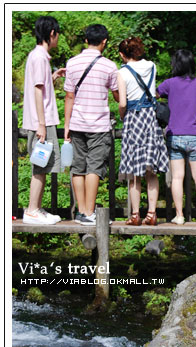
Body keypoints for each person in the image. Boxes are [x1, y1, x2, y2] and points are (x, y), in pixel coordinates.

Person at [157, 49, 196, 225]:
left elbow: (152, 96)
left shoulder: (168, 84)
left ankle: (179, 216)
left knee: (177, 177)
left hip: (174, 136)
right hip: (194, 136)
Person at [64, 24, 119, 225]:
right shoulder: (109, 66)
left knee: (78, 167)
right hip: (99, 125)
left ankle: (81, 212)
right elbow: (116, 94)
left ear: (86, 40)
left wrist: (67, 124)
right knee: (94, 168)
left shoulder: (72, 63)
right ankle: (89, 212)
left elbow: (69, 96)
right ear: (104, 42)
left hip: (77, 123)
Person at [117, 37, 169, 226]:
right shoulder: (152, 66)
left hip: (133, 117)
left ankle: (135, 215)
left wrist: (122, 115)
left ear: (123, 54)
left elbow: (122, 102)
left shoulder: (122, 72)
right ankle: (152, 214)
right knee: (151, 170)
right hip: (150, 118)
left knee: (134, 172)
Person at [22, 16, 65, 225]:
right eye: (57, 34)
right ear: (51, 34)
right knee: (40, 166)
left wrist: (53, 76)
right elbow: (38, 91)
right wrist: (41, 124)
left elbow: (40, 85)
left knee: (43, 166)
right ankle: (31, 210)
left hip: (40, 120)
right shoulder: (39, 58)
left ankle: (36, 209)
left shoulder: (37, 57)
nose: (58, 38)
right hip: (41, 121)